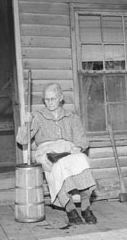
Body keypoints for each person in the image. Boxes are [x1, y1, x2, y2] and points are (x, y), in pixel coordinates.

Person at [16, 83, 97, 225]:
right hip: (48, 153)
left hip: (67, 149)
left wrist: (78, 146)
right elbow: (22, 140)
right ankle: (70, 208)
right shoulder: (38, 116)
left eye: (53, 99)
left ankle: (86, 207)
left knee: (82, 160)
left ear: (61, 98)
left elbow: (81, 138)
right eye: (46, 99)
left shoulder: (71, 117)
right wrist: (26, 124)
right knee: (58, 167)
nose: (49, 103)